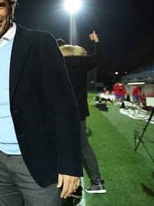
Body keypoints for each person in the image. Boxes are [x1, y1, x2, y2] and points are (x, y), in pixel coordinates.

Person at [0, 0, 82, 205]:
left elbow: (66, 106)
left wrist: (70, 165)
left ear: (11, 7)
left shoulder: (40, 42)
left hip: (37, 160)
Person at [58, 32, 107, 195]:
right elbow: (98, 57)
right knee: (84, 147)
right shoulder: (83, 62)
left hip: (61, 113)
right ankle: (97, 182)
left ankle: (65, 184)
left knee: (61, 148)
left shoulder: (57, 62)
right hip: (79, 112)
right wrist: (97, 42)